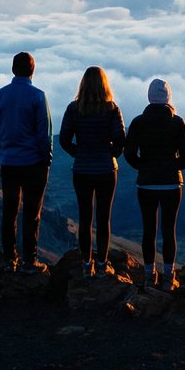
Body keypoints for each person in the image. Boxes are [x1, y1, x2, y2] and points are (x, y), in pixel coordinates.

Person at [123, 78, 185, 291]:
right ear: (168, 97)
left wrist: (142, 167)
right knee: (169, 229)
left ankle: (148, 275)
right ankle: (169, 277)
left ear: (149, 97)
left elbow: (128, 152)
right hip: (172, 183)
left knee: (149, 230)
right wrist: (175, 167)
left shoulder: (138, 122)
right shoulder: (177, 121)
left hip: (146, 183)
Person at [58, 66, 126, 278]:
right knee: (104, 218)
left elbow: (64, 139)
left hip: (82, 170)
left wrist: (79, 153)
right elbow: (120, 139)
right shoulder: (112, 109)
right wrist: (110, 153)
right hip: (106, 169)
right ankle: (103, 263)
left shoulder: (73, 109)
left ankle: (87, 264)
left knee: (85, 218)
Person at [0, 52, 52, 274]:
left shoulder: (0, 95)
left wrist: (1, 153)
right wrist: (47, 159)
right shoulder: (38, 96)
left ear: (13, 70)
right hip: (34, 163)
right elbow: (44, 133)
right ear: (33, 71)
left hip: (9, 163)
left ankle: (9, 260)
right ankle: (30, 261)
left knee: (10, 210)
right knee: (32, 212)